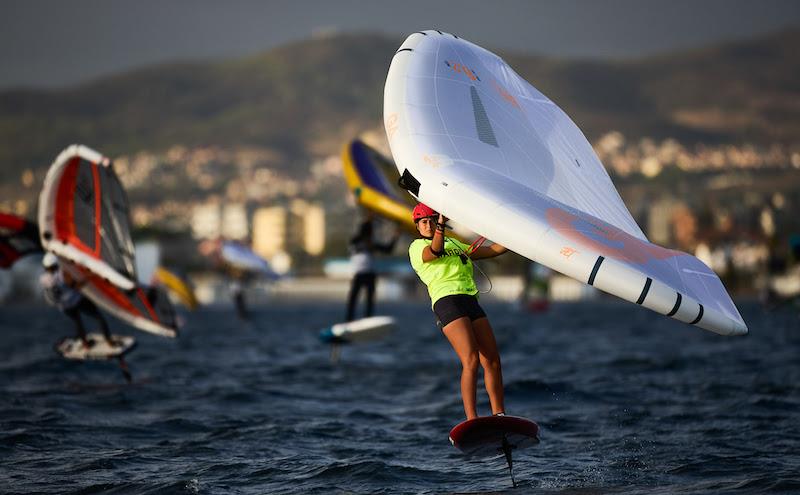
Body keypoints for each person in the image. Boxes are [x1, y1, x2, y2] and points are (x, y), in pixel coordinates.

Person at [408, 203, 510, 420]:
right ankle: (472, 419)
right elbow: (435, 251)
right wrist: (441, 227)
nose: (428, 225)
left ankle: (499, 414)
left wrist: (517, 236)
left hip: (470, 299)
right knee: (471, 359)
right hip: (447, 301)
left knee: (492, 359)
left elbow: (493, 250)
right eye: (423, 222)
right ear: (417, 226)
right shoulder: (416, 248)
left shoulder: (453, 242)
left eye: (431, 220)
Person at [39, 252, 115, 348]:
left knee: (77, 322)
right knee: (98, 317)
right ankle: (109, 341)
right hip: (76, 301)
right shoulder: (62, 274)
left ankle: (85, 344)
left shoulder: (42, 278)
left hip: (64, 306)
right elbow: (76, 286)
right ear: (55, 264)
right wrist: (90, 276)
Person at [345, 213, 400, 322]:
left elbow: (388, 249)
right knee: (353, 299)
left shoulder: (370, 243)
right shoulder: (356, 241)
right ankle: (349, 321)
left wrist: (396, 236)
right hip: (359, 274)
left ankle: (367, 321)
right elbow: (362, 237)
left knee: (369, 300)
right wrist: (368, 221)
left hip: (370, 274)